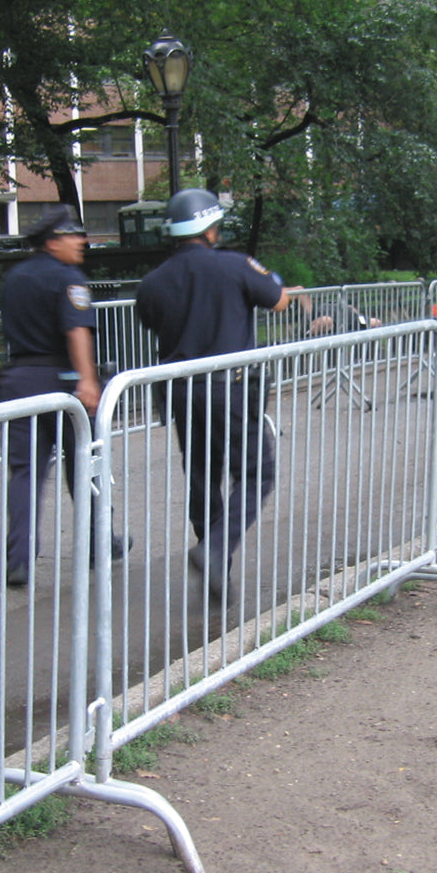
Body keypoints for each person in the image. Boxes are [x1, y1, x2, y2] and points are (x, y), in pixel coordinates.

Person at [135, 188, 301, 596]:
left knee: (202, 479)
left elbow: (149, 320)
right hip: (230, 388)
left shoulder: (154, 281)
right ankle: (215, 550)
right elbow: (278, 300)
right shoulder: (234, 265)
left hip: (181, 393)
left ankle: (218, 577)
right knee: (257, 473)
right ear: (209, 227)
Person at [0, 203, 124, 587]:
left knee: (25, 472)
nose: (81, 242)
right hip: (62, 379)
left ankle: (19, 559)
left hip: (18, 378)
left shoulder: (14, 277)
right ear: (53, 242)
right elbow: (77, 331)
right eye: (73, 235)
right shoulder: (69, 278)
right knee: (86, 463)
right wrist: (88, 380)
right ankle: (99, 544)